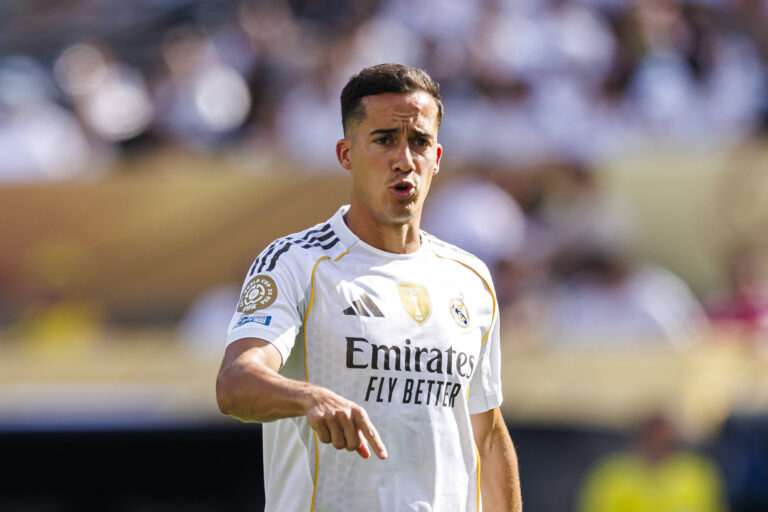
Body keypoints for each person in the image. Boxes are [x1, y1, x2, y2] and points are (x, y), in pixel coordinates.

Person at [216, 63, 522, 511]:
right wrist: (308, 396)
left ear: (437, 157)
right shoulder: (297, 263)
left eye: (419, 142)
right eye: (384, 140)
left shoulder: (470, 277)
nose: (404, 159)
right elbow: (235, 383)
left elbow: (488, 435)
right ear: (346, 154)